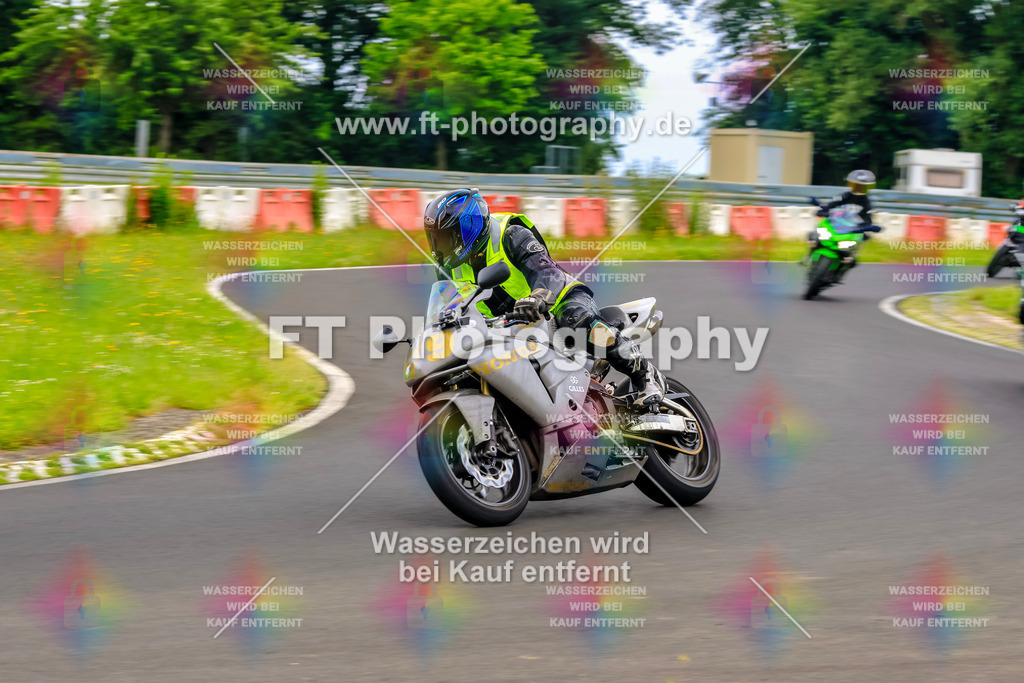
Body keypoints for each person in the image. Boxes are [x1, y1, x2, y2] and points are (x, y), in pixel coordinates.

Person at [422, 188, 665, 407]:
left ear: (469, 226)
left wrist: (539, 297)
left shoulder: (511, 233)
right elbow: (448, 305)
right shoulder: (448, 267)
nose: (439, 245)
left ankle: (644, 375)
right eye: (435, 238)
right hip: (507, 325)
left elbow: (546, 271)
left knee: (576, 320)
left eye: (445, 237)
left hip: (556, 301)